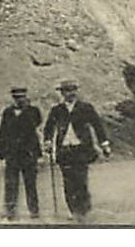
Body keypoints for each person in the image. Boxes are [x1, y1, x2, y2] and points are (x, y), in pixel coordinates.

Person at [42, 80, 111, 220]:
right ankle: (73, 210)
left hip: (81, 149)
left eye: (73, 90)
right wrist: (48, 141)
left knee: (81, 180)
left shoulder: (86, 108)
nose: (71, 93)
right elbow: (49, 128)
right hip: (64, 150)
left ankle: (84, 209)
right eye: (67, 90)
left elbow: (97, 126)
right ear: (62, 93)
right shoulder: (57, 110)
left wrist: (104, 144)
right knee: (68, 182)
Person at [0, 86, 42, 221]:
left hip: (29, 153)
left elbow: (36, 123)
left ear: (26, 97)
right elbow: (2, 132)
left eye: (22, 97)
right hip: (12, 154)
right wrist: (1, 151)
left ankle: (34, 210)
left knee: (30, 183)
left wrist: (26, 110)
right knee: (11, 183)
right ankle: (10, 210)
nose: (19, 100)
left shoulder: (33, 111)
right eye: (16, 98)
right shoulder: (8, 112)